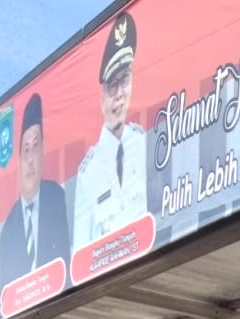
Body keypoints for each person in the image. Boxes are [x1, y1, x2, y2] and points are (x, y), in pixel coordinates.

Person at [72, 11, 148, 249]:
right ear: (102, 97)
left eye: (124, 81)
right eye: (112, 86)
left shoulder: (143, 143)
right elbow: (81, 249)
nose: (119, 95)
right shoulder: (87, 173)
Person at [0, 93, 70, 293]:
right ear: (19, 160)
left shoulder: (56, 197)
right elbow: (3, 294)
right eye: (26, 149)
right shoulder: (8, 229)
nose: (30, 159)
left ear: (43, 150)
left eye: (35, 146)